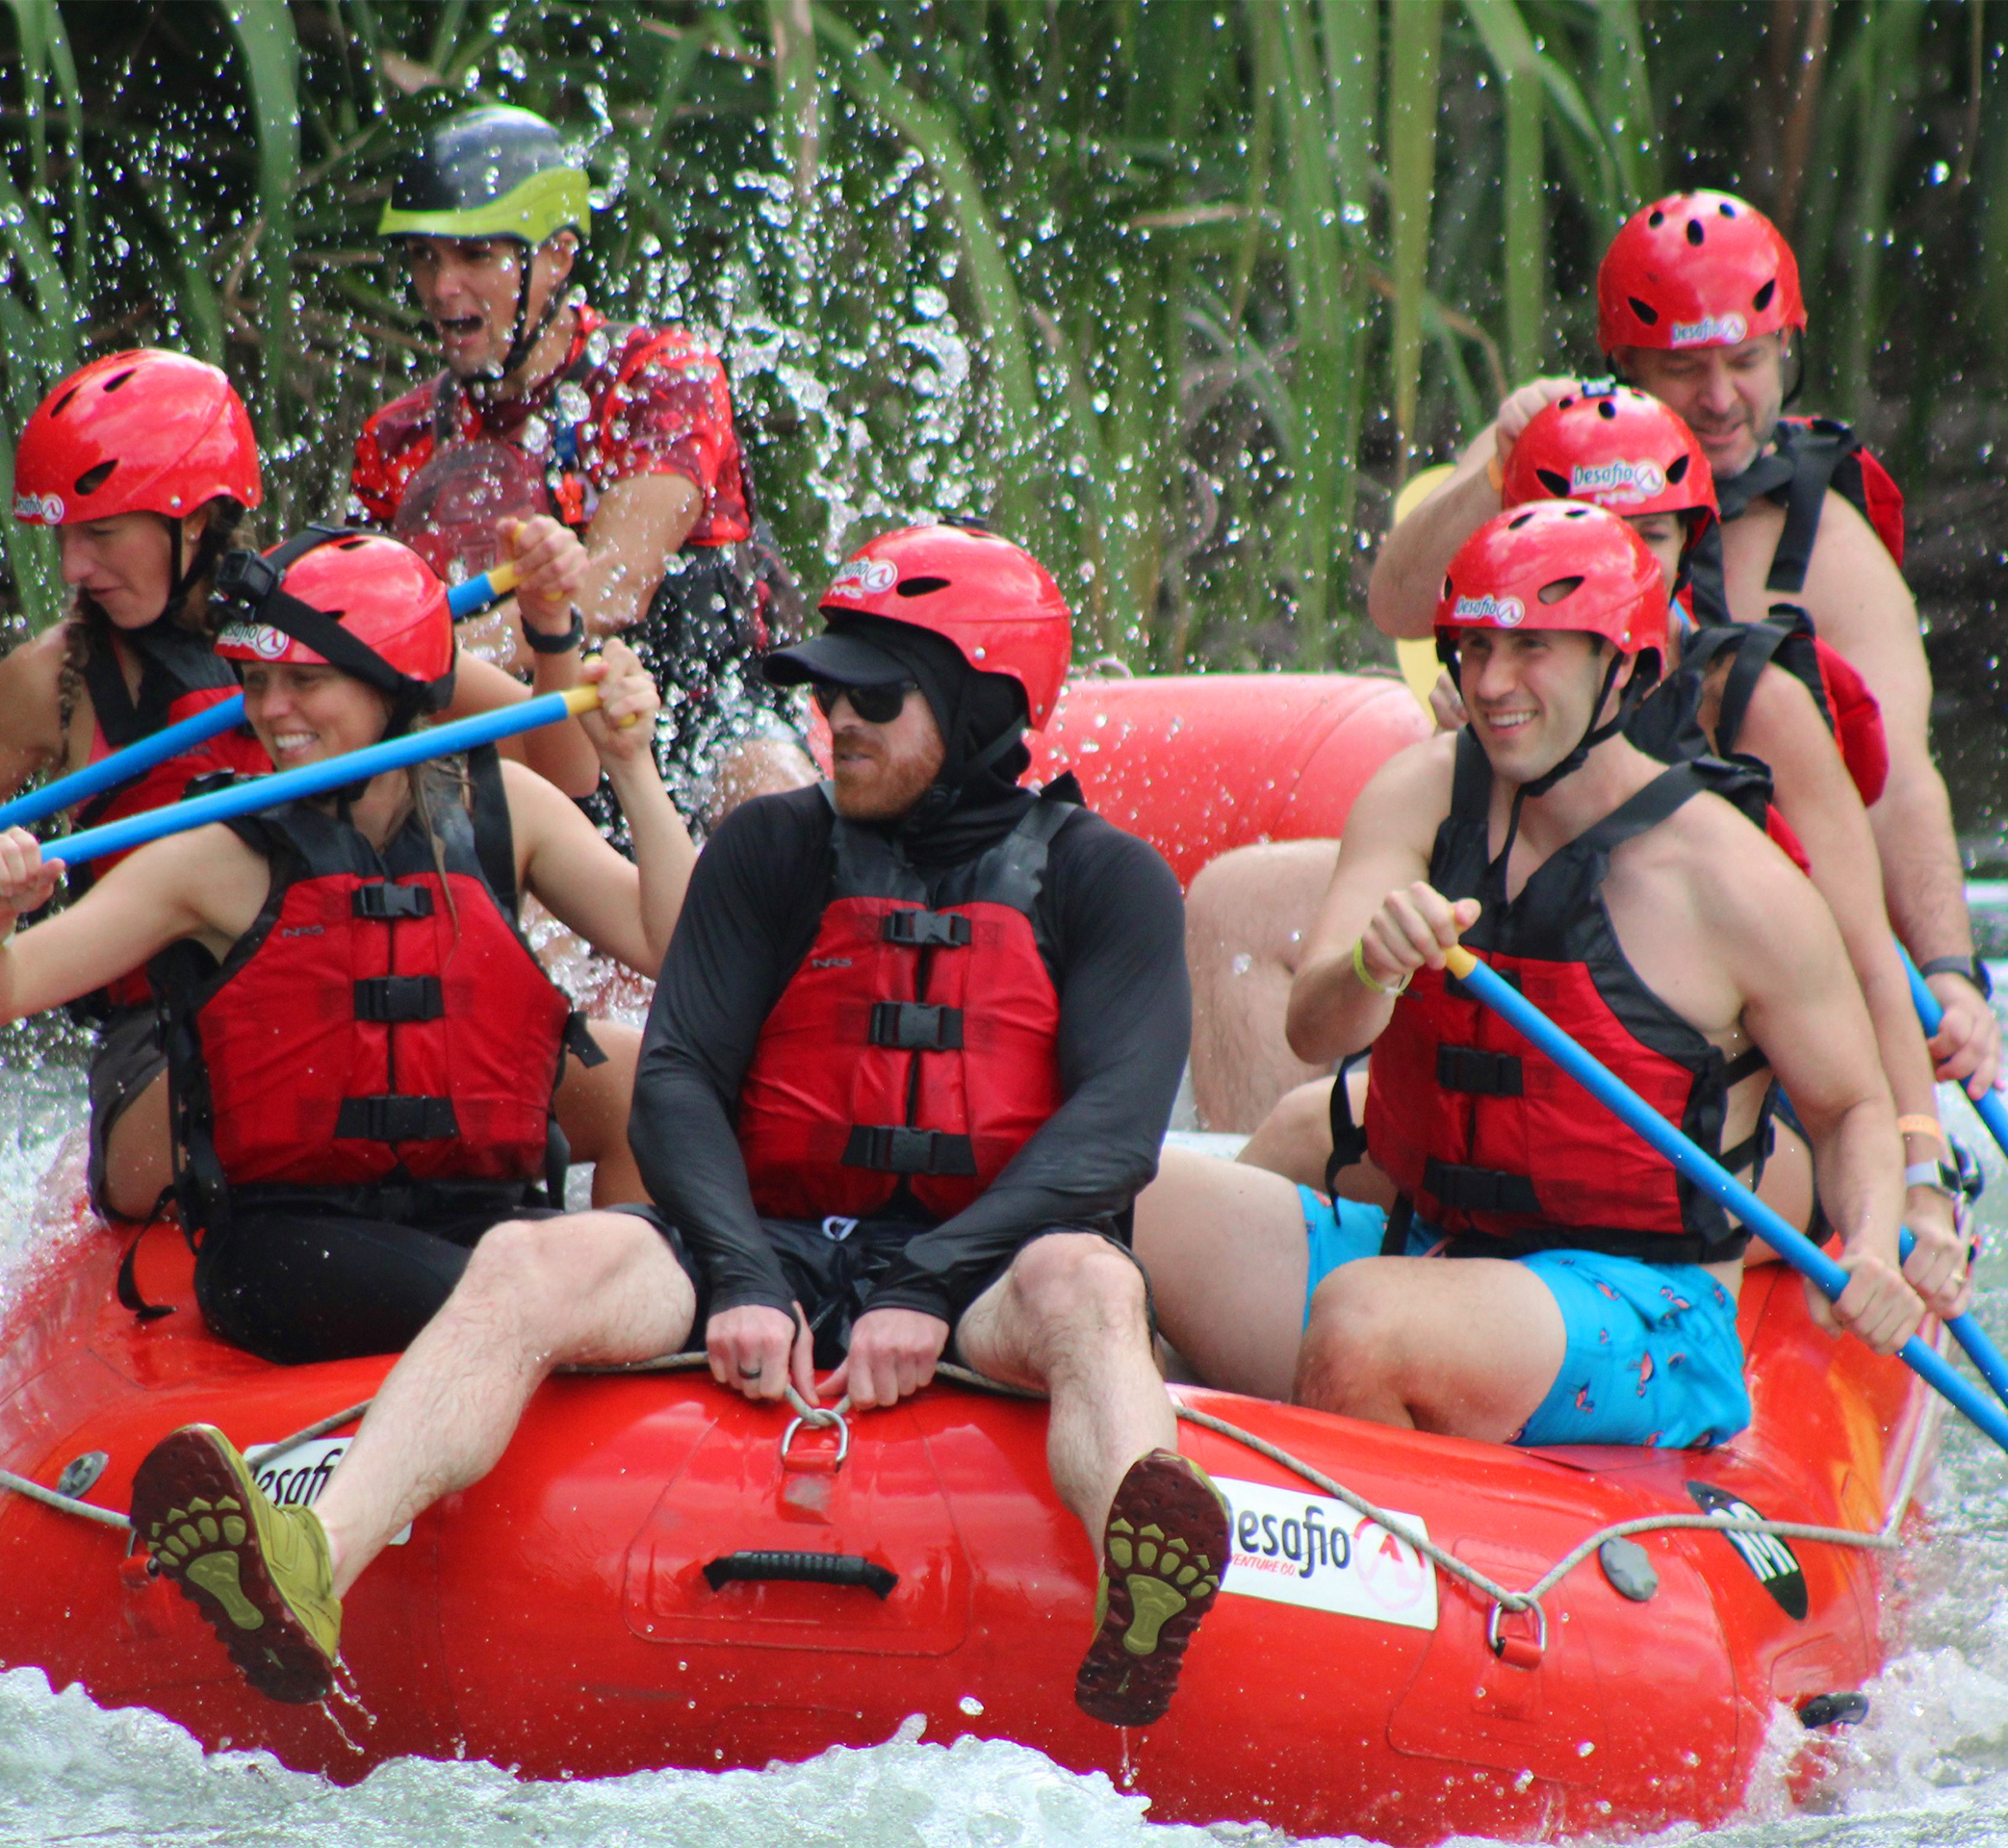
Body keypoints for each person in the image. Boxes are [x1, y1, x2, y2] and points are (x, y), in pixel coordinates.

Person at [119, 526, 1225, 1730]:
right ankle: (309, 1563)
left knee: (1093, 1288)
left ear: (980, 706)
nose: (832, 721)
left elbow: (1116, 1134)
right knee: (525, 1256)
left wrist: (927, 1280)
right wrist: (744, 1271)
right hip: (777, 1252)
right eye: (821, 692)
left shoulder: (1105, 877)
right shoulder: (776, 848)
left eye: (872, 696)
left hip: (985, 1270)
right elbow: (683, 1075)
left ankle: (1144, 1576)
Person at [1136, 502, 1967, 1437]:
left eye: (1535, 649)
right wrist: (1373, 967)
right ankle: (1168, 1461)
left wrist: (1872, 1248)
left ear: (1623, 666)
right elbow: (1315, 1029)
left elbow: (1849, 1107)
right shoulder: (1421, 796)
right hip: (1438, 1246)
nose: (1493, 683)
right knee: (1127, 1193)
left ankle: (1359, 1534)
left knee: (1361, 1320)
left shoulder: (1731, 881)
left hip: (1645, 1310)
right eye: (1476, 649)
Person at [1235, 387, 1964, 1271]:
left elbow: (1863, 959)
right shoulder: (1485, 708)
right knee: (1292, 1133)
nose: (1612, 561)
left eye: (1647, 537)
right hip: (1509, 1116)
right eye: (1576, 531)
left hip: (1703, 1134)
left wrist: (1919, 1175)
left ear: (1688, 544)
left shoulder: (1749, 699)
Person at [0, 530, 689, 1368]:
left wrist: (632, 767)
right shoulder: (216, 853)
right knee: (550, 1295)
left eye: (305, 682)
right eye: (258, 682)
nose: (270, 711)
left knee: (658, 1268)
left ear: (394, 685)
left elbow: (677, 947)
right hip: (294, 1248)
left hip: (489, 1221)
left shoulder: (505, 808)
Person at [0, 348, 597, 1221]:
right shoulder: (50, 680)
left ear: (196, 521)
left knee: (641, 1088)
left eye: (100, 532)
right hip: (177, 1042)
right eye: (62, 536)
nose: (71, 566)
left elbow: (563, 769)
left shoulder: (332, 625)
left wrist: (553, 630)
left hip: (392, 1007)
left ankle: (622, 1285)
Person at [1362, 190, 2001, 1099]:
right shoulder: (1552, 455)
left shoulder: (1829, 559)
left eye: (1744, 362)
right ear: (1621, 365)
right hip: (1539, 904)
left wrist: (1946, 970)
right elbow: (1399, 605)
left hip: (1734, 954)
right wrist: (1497, 475)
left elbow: (1895, 789)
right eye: (1681, 369)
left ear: (1787, 349)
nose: (1718, 399)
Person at [354, 105, 814, 818]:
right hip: (526, 737)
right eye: (424, 256)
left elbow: (617, 586)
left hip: (700, 719)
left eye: (477, 256)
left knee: (772, 795)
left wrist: (410, 654)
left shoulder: (658, 375)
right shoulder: (399, 437)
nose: (443, 288)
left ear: (559, 258)